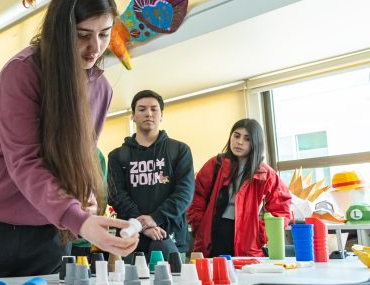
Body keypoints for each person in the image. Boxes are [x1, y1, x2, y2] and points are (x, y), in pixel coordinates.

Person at [0, 0, 138, 279]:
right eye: (82, 35)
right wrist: (76, 217)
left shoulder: (100, 88)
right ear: (60, 32)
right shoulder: (22, 71)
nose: (95, 47)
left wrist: (84, 194)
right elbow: (24, 160)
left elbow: (84, 154)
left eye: (104, 34)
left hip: (46, 231)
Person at [108, 90, 194, 258]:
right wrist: (143, 225)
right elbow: (116, 195)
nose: (148, 114)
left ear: (161, 115)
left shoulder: (179, 150)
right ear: (133, 115)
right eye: (142, 109)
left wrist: (155, 218)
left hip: (171, 238)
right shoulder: (117, 155)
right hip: (131, 241)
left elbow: (185, 193)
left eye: (154, 109)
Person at [187, 118, 292, 257]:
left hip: (248, 240)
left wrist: (261, 234)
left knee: (246, 277)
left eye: (247, 139)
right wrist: (199, 226)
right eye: (236, 136)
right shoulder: (215, 165)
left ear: (255, 143)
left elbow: (281, 209)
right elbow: (195, 196)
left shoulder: (266, 174)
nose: (239, 142)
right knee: (214, 277)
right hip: (213, 236)